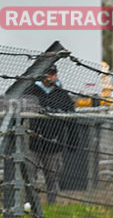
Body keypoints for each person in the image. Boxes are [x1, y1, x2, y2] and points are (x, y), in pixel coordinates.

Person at [23, 65, 76, 204]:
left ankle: (52, 203)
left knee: (52, 177)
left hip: (53, 145)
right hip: (34, 144)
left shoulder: (63, 95)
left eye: (52, 74)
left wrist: (73, 141)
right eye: (47, 74)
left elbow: (71, 119)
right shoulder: (32, 91)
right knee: (29, 174)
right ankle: (29, 202)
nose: (50, 77)